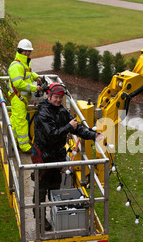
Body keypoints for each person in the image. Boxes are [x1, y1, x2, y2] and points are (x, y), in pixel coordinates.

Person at [32, 83, 103, 231]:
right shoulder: (43, 114)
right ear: (49, 96)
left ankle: (54, 213)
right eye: (56, 97)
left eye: (60, 98)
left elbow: (77, 128)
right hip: (43, 155)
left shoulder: (62, 111)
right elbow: (52, 135)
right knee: (42, 187)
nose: (58, 100)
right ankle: (39, 217)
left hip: (56, 155)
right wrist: (69, 127)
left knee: (55, 186)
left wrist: (93, 135)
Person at [8, 39, 42, 153]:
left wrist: (36, 77)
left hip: (20, 98)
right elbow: (18, 84)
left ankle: (12, 142)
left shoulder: (24, 64)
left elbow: (28, 74)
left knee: (15, 120)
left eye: (29, 51)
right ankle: (24, 146)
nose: (27, 53)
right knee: (21, 121)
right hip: (17, 98)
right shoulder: (16, 65)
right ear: (20, 50)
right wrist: (34, 88)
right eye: (25, 51)